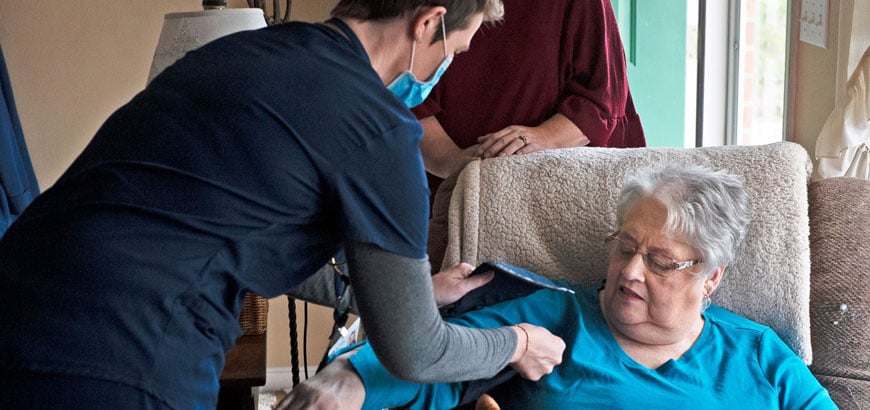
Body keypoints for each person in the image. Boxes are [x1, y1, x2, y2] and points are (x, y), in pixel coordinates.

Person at [0, 1, 568, 409]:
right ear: (428, 23)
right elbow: (415, 350)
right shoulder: (380, 128)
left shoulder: (238, 54)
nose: (445, 68)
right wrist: (515, 343)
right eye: (456, 51)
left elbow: (231, 224)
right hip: (124, 350)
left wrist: (391, 291)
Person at [287, 166, 838, 409]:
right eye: (625, 247)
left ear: (710, 275)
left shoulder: (759, 355)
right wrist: (346, 382)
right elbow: (429, 360)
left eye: (661, 262)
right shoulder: (546, 319)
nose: (630, 272)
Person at [412, 0, 647, 270]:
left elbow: (602, 98)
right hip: (440, 185)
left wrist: (543, 138)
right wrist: (453, 161)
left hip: (555, 190)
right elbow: (402, 95)